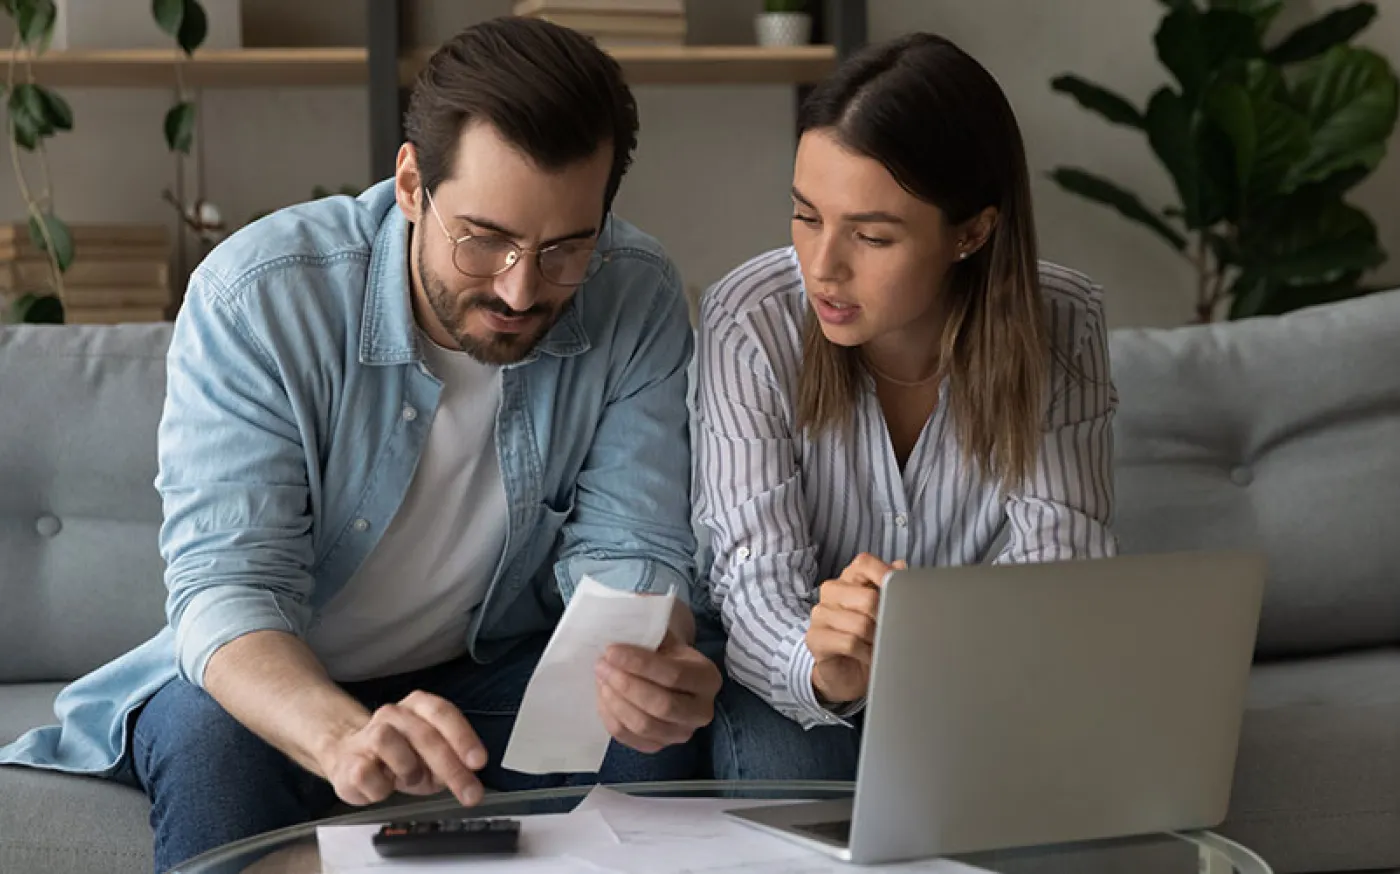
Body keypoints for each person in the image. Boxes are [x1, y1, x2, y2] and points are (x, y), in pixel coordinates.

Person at [0, 17, 720, 872]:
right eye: (483, 239)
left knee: (656, 725)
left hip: (487, 673)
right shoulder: (259, 298)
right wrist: (342, 736)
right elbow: (228, 593)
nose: (522, 287)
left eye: (564, 247)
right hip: (281, 683)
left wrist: (646, 654)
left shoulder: (632, 291)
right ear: (412, 184)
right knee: (211, 742)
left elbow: (631, 547)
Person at [692, 32, 1118, 780]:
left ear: (973, 233)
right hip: (790, 680)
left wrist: (932, 656)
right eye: (806, 216)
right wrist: (828, 669)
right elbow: (751, 582)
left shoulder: (1065, 322)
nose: (821, 267)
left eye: (872, 235)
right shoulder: (750, 318)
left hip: (979, 686)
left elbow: (1061, 576)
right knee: (790, 769)